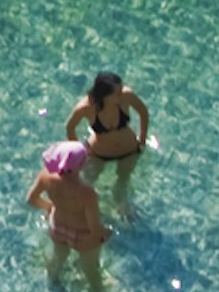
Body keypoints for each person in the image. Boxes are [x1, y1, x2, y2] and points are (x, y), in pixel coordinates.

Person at [28, 138, 110, 292]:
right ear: (79, 166)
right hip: (83, 234)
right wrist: (105, 233)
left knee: (58, 258)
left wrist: (49, 207)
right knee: (90, 269)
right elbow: (94, 228)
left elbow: (31, 199)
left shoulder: (46, 176)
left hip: (58, 226)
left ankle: (52, 282)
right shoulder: (87, 192)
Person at [66, 72, 153, 219]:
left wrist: (142, 139)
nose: (121, 94)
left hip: (129, 150)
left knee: (123, 182)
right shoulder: (85, 107)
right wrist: (80, 152)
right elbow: (70, 128)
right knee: (87, 184)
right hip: (99, 154)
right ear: (104, 95)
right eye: (116, 93)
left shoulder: (126, 96)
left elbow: (143, 112)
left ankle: (122, 209)